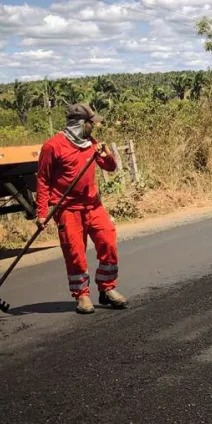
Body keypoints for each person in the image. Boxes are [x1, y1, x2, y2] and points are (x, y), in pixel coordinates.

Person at [36, 103, 126, 314]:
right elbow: (42, 180)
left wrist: (107, 155)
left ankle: (107, 288)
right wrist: (42, 213)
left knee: (108, 241)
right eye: (91, 123)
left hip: (93, 205)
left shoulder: (92, 144)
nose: (94, 127)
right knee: (75, 253)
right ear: (80, 124)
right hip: (67, 209)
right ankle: (82, 295)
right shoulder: (52, 147)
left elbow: (110, 167)